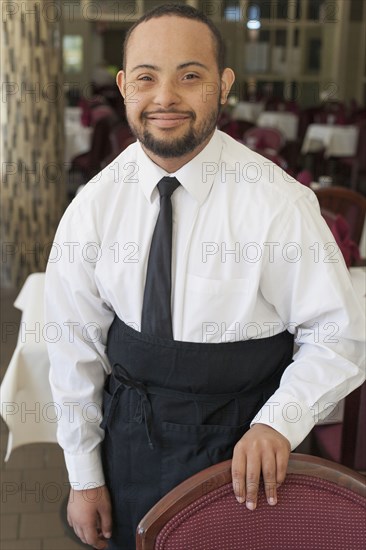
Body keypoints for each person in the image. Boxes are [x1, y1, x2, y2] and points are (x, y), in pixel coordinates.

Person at [45, 4, 365, 549]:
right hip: (130, 448)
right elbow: (72, 345)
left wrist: (278, 424)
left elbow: (338, 335)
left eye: (190, 76)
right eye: (147, 77)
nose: (165, 97)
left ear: (223, 85)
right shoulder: (94, 206)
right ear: (124, 87)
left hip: (249, 458)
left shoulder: (278, 204)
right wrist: (84, 476)